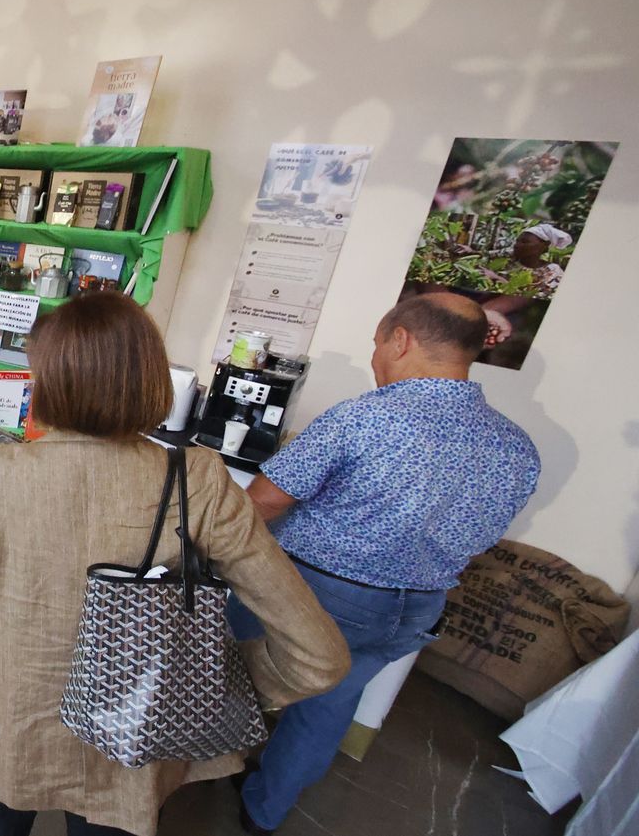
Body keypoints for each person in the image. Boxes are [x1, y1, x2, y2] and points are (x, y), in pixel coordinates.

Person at [0, 291, 350, 836]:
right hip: (136, 730)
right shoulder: (198, 478)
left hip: (9, 718)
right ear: (151, 379)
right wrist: (220, 689)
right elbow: (319, 654)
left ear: (47, 381)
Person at [230, 293, 540, 835]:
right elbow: (484, 535)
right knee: (327, 707)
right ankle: (265, 810)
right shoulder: (516, 446)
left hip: (315, 591)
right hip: (417, 607)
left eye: (377, 344)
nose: (375, 358)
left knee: (223, 671)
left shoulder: (364, 417)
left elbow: (266, 501)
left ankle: (190, 764)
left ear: (402, 340)